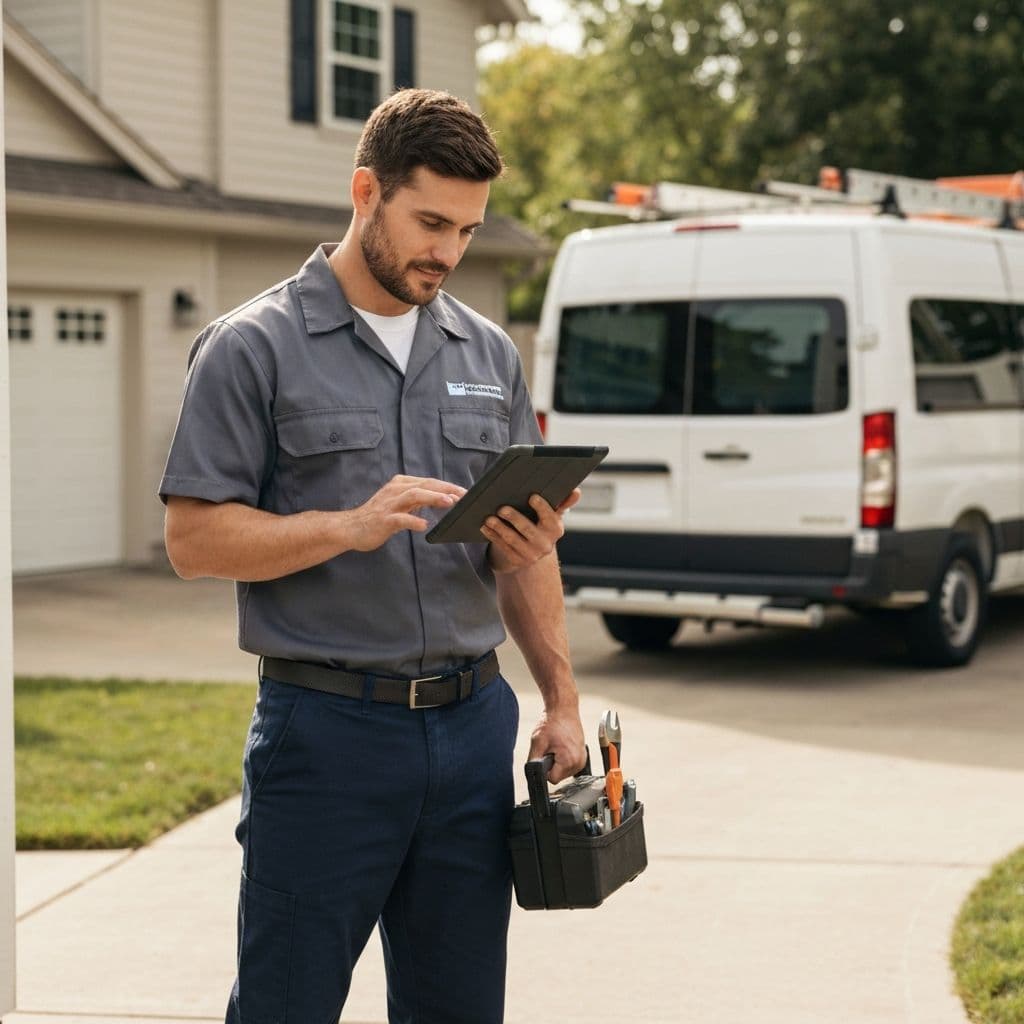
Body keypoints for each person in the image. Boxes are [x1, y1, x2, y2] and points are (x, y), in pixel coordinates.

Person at [159, 88, 586, 1024]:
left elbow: (522, 557)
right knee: (287, 1005)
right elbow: (192, 540)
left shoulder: (489, 354)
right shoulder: (252, 348)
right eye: (431, 221)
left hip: (473, 730)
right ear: (366, 192)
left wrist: (559, 698)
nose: (448, 252)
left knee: (458, 1009)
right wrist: (344, 525)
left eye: (468, 231)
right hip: (327, 737)